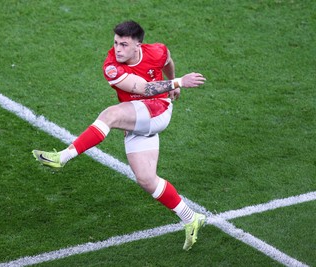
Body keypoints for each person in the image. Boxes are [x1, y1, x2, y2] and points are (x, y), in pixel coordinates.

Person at [33, 20, 206, 251]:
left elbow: (167, 62)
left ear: (139, 46)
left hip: (158, 110)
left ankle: (62, 157)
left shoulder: (157, 50)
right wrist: (176, 82)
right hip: (139, 116)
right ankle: (191, 218)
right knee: (146, 179)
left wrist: (174, 84)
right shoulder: (111, 67)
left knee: (111, 114)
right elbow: (143, 88)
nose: (118, 49)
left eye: (124, 44)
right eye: (116, 43)